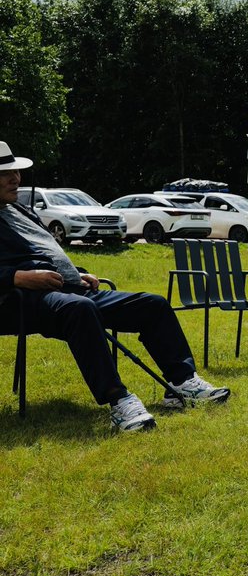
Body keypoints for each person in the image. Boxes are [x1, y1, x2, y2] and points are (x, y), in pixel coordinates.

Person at [0, 142, 230, 432]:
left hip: (66, 291)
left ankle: (181, 383)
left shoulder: (21, 212)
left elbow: (44, 252)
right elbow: (23, 266)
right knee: (79, 308)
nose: (15, 179)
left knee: (153, 305)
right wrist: (18, 277)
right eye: (5, 174)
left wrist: (77, 274)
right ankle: (119, 401)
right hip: (18, 300)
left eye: (15, 172)